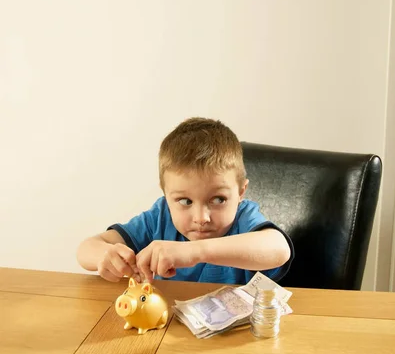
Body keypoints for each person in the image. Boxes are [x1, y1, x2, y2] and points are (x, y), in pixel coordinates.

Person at [77, 117, 294, 284]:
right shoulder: (160, 218)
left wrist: (193, 252)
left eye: (218, 199)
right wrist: (106, 256)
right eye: (185, 201)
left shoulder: (243, 218)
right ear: (166, 195)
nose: (201, 218)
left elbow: (279, 249)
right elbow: (86, 249)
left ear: (240, 192)